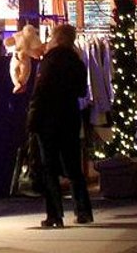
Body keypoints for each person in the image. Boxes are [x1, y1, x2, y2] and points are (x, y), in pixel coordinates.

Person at [27, 24, 93, 228]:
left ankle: (54, 214)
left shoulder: (50, 61)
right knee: (73, 166)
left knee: (49, 168)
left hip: (48, 119)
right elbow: (82, 91)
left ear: (56, 38)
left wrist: (32, 119)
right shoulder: (77, 62)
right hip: (70, 117)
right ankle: (83, 211)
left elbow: (40, 91)